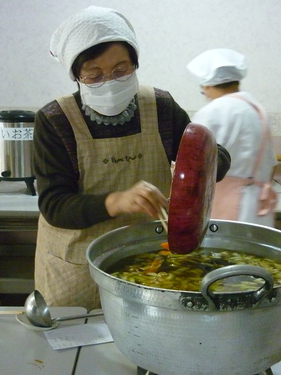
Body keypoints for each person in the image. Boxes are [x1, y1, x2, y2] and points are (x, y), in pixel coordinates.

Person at [33, 7, 230, 311]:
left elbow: (212, 155)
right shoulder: (56, 121)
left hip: (150, 262)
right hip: (79, 267)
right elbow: (54, 205)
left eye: (121, 69)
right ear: (77, 76)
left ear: (136, 64)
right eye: (94, 74)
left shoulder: (161, 108)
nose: (109, 81)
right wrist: (118, 201)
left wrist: (197, 170)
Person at [187, 48, 278, 227]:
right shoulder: (257, 110)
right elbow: (273, 165)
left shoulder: (211, 112)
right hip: (257, 205)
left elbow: (193, 167)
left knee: (224, 254)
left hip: (224, 205)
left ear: (206, 85)